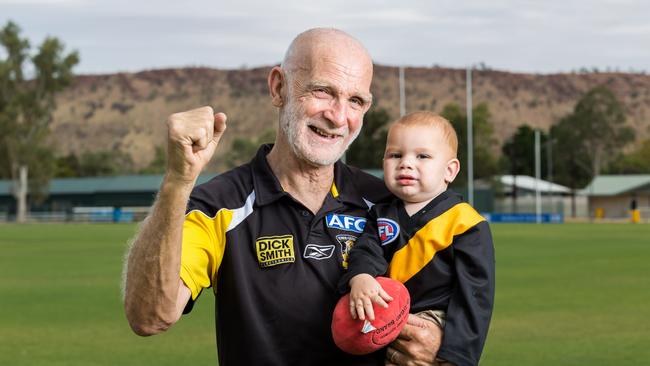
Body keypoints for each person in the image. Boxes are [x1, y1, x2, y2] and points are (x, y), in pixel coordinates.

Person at [123, 28, 443, 365]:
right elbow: (150, 316)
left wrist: (438, 334)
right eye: (322, 91)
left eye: (356, 101)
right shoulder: (220, 206)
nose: (337, 116)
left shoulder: (386, 203)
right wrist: (178, 181)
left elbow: (446, 295)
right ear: (279, 87)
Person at [339, 112, 495, 366]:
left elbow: (475, 293)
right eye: (395, 155)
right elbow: (365, 251)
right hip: (386, 312)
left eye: (422, 156)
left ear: (450, 170)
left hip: (435, 320)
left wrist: (456, 354)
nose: (406, 163)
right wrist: (360, 277)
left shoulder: (466, 222)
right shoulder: (380, 212)